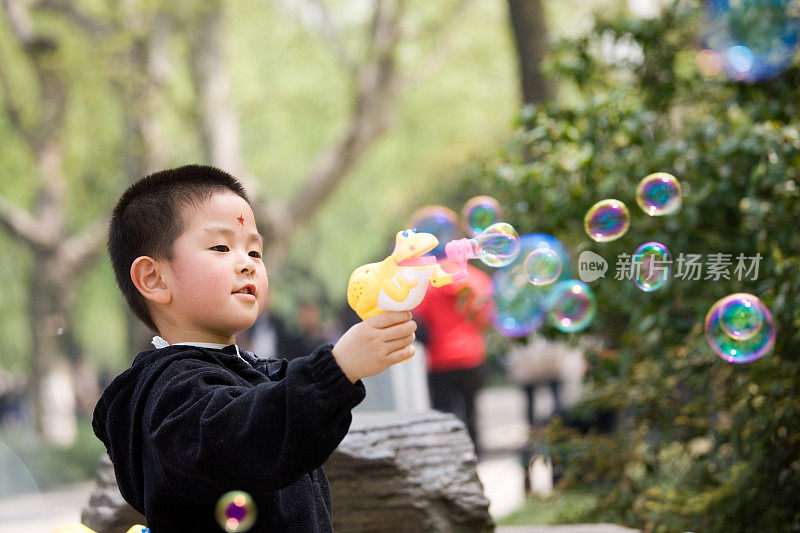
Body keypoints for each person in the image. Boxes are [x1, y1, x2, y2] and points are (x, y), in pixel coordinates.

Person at [93, 165, 417, 532]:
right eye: (221, 246)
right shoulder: (171, 392)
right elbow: (244, 437)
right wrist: (338, 368)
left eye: (255, 252)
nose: (247, 264)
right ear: (154, 278)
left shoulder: (246, 371)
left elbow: (287, 409)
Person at [413, 262, 493, 456]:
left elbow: (420, 321)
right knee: (471, 409)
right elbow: (487, 317)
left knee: (445, 411)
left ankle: (451, 455)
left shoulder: (428, 284)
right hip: (472, 356)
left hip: (441, 359)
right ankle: (475, 454)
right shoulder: (478, 279)